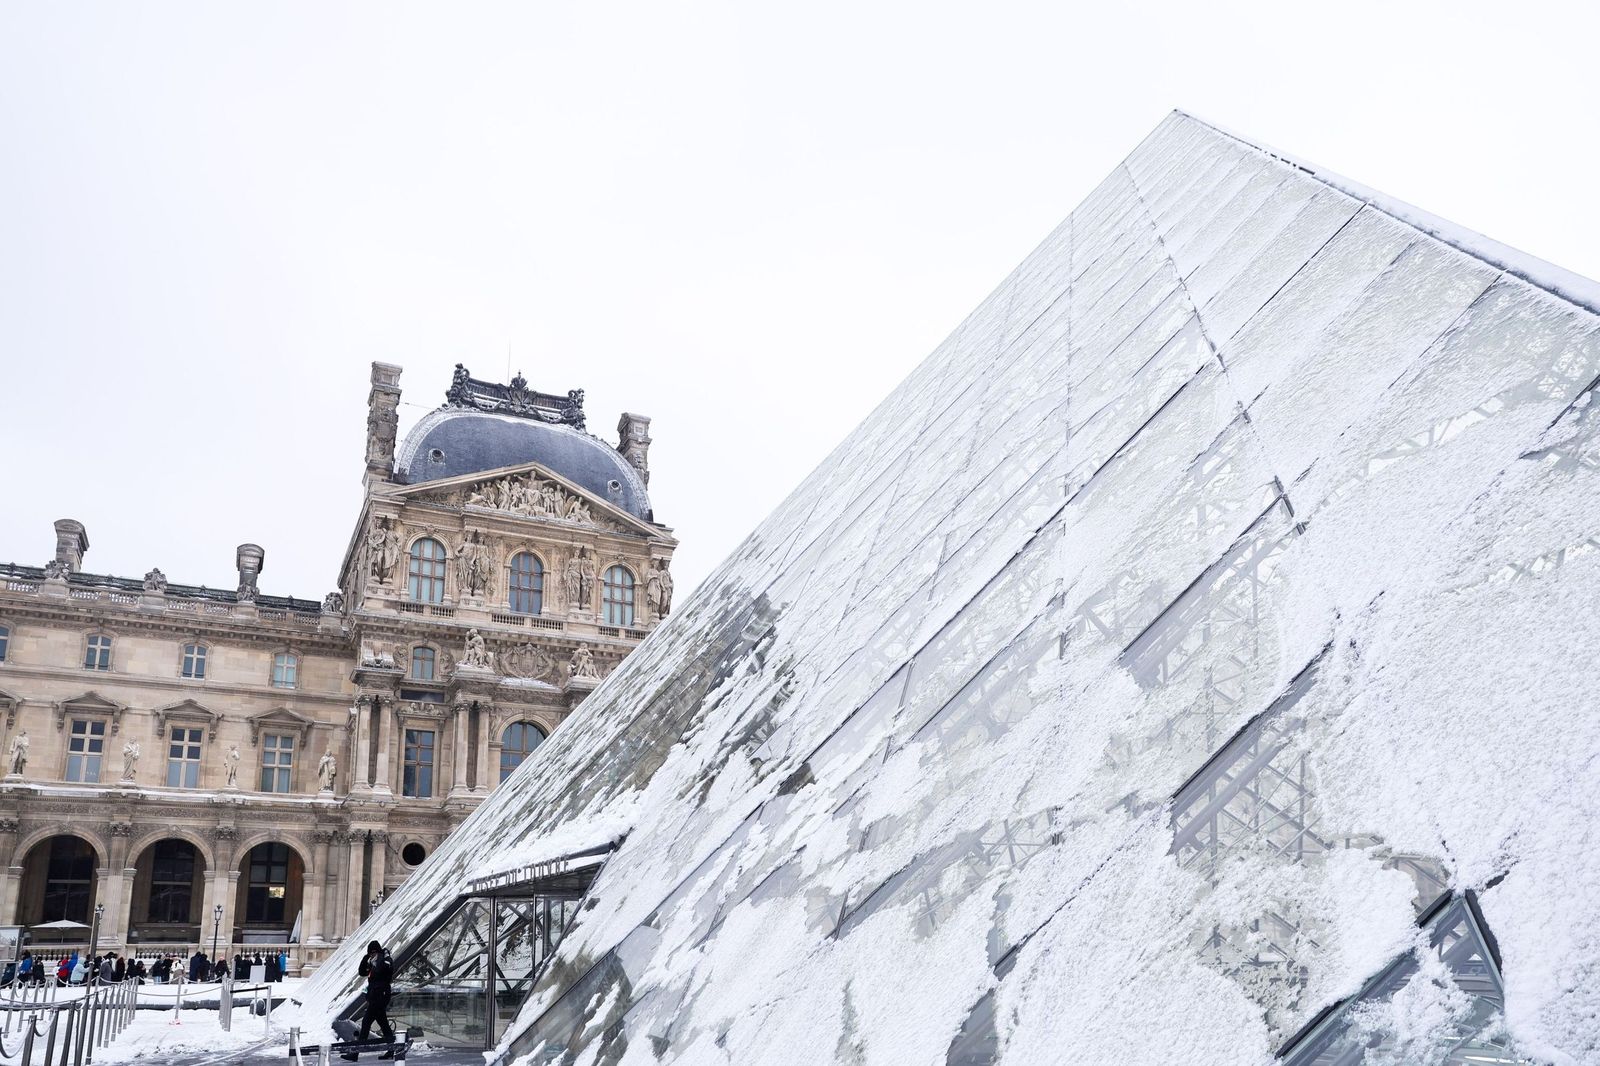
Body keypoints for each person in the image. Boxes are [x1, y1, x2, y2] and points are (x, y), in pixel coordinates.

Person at [344, 940, 394, 1060]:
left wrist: (381, 957)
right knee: (384, 1024)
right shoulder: (373, 962)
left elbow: (385, 970)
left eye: (373, 953)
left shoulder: (385, 961)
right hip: (375, 997)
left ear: (378, 952)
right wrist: (365, 957)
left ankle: (355, 1053)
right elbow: (362, 972)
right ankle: (392, 1049)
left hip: (380, 997)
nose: (371, 955)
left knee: (366, 1023)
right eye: (370, 954)